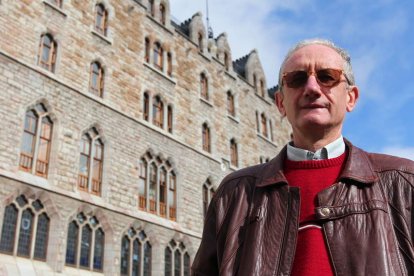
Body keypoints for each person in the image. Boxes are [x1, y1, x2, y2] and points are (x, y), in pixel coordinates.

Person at [191, 39, 414, 276]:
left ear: (351, 98)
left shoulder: (403, 183)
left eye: (327, 76)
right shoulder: (234, 194)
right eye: (296, 79)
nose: (312, 88)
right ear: (280, 103)